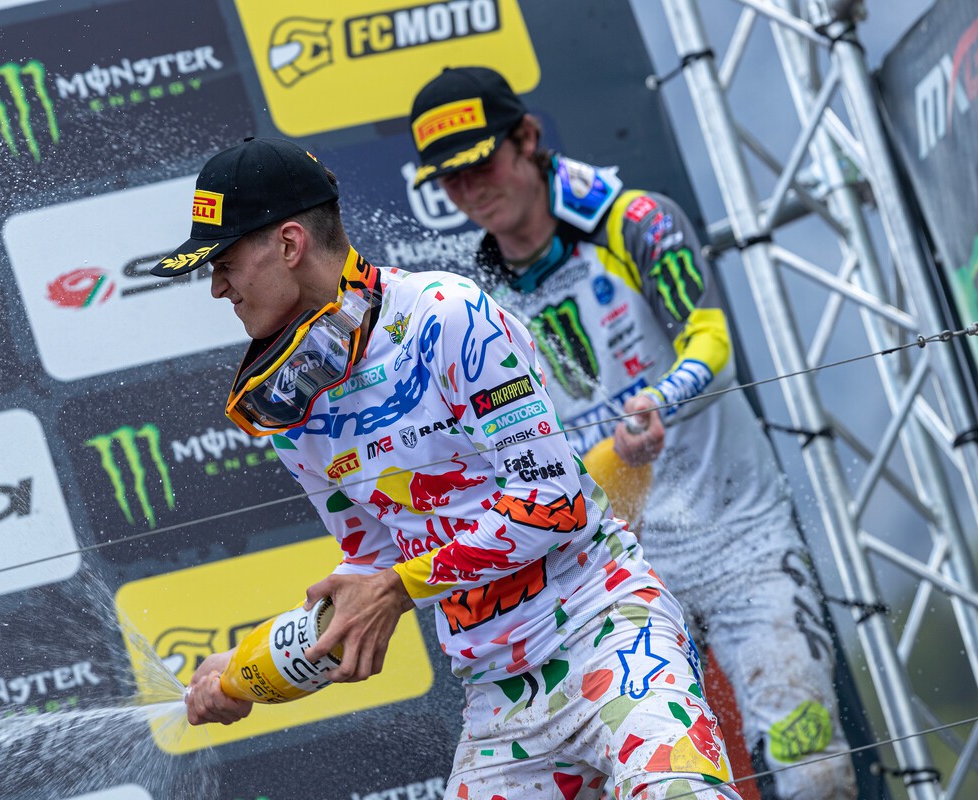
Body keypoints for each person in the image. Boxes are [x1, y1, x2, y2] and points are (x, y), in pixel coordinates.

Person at [151, 137, 743, 799]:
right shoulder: (288, 403)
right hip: (498, 697)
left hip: (608, 633)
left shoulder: (446, 316)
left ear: (289, 244)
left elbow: (553, 501)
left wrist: (399, 587)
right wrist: (248, 669)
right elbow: (372, 564)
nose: (218, 288)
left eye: (225, 262)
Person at [407, 67, 858, 800]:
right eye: (448, 178)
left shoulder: (636, 220)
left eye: (479, 163)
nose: (468, 189)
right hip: (612, 575)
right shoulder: (474, 304)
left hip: (739, 539)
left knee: (813, 770)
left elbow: (712, 342)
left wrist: (660, 401)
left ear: (527, 138)